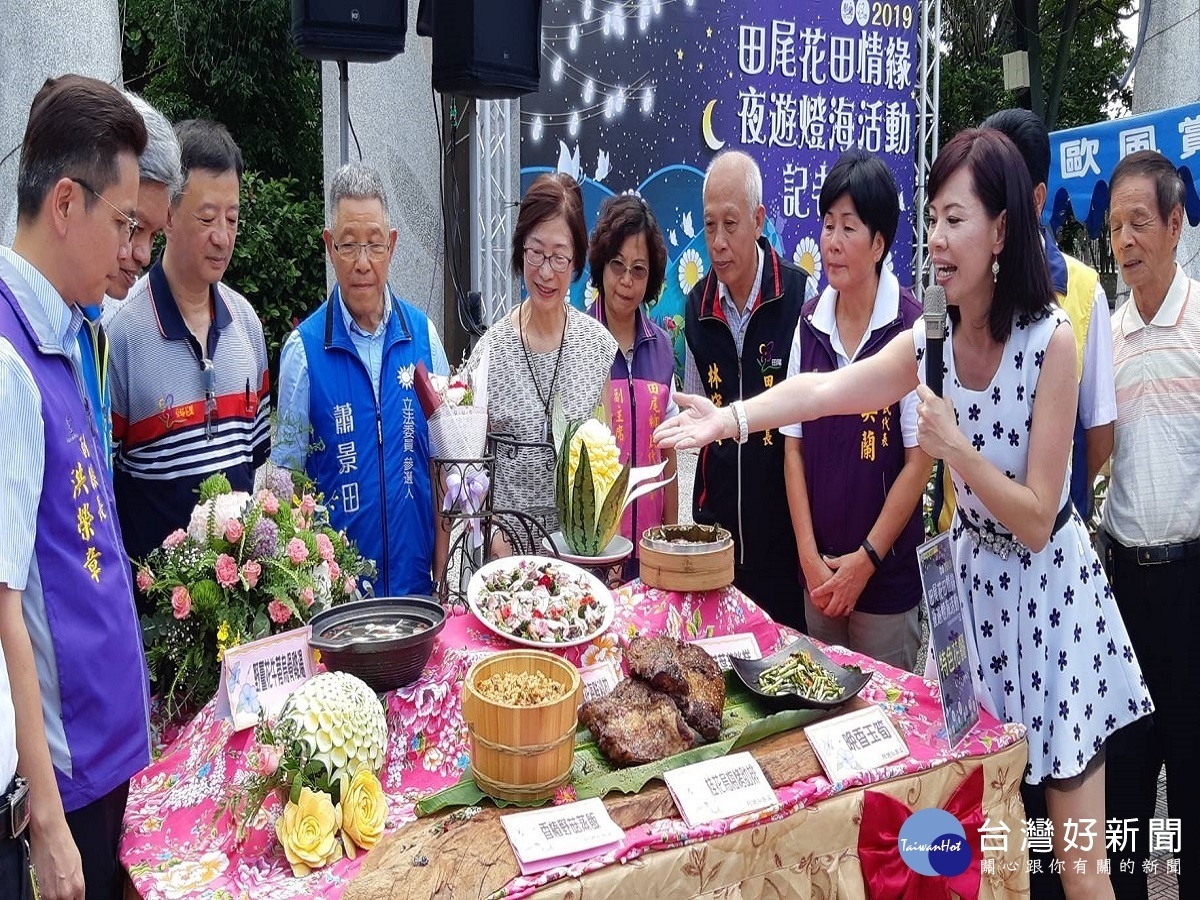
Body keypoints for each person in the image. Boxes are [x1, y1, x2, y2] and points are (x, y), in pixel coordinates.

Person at [657, 128, 1152, 898]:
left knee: (1081, 865)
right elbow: (825, 393)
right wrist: (726, 420)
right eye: (935, 221)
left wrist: (955, 447)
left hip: (1050, 608)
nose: (939, 240)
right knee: (964, 833)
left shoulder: (1052, 340)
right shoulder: (934, 338)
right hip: (973, 600)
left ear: (1000, 231)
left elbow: (1034, 515)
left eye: (956, 219)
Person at [0, 74, 151, 900]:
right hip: (63, 779)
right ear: (66, 204)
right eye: (124, 222)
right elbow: (4, 606)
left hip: (102, 753)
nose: (132, 248)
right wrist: (47, 821)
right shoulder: (8, 361)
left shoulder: (60, 334)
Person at [780, 150, 930, 671]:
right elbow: (792, 447)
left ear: (880, 243)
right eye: (827, 225)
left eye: (849, 227)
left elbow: (919, 462)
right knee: (819, 720)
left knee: (888, 726)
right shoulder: (808, 324)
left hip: (884, 581)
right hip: (818, 574)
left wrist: (864, 563)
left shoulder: (910, 329)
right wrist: (807, 556)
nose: (832, 242)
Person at [935, 109, 1117, 533]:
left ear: (1034, 199)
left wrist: (1051, 499)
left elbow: (1099, 436)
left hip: (1041, 558)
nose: (939, 236)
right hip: (963, 537)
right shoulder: (957, 295)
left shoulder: (1082, 293)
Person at [273, 163, 451, 596]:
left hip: (418, 593)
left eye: (374, 244)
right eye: (349, 245)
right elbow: (284, 486)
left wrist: (445, 578)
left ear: (391, 245)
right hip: (340, 603)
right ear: (329, 246)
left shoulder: (423, 338)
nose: (362, 263)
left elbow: (449, 471)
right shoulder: (304, 351)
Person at [108, 120, 271, 587]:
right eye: (206, 218)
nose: (222, 236)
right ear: (169, 216)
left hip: (240, 619)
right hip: (156, 627)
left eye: (233, 218)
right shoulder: (122, 336)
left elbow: (255, 469)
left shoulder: (247, 327)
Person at [1099, 150, 1198, 900]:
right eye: (1113, 227)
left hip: (1195, 586)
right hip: (1124, 584)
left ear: (1175, 224)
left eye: (1139, 222)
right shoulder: (1106, 337)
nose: (1125, 240)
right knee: (1125, 787)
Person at [681, 150, 812, 630]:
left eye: (730, 224)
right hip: (716, 535)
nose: (717, 242)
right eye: (709, 224)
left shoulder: (798, 297)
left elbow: (811, 418)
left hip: (786, 535)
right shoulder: (696, 309)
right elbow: (698, 416)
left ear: (758, 220)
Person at [463, 172, 617, 555]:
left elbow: (604, 466)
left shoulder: (597, 348)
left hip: (576, 563)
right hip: (505, 564)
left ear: (577, 259)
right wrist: (494, 540)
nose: (546, 272)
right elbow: (467, 467)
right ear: (520, 251)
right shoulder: (490, 352)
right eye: (536, 253)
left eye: (560, 256)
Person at [75, 92, 181, 473]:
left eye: (153, 236)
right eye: (131, 226)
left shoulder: (90, 324)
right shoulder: (22, 345)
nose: (142, 254)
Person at [586, 194, 678, 577]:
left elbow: (668, 454)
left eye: (639, 270)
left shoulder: (662, 349)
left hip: (651, 550)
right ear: (600, 266)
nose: (626, 281)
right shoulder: (578, 344)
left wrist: (671, 536)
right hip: (593, 553)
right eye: (617, 265)